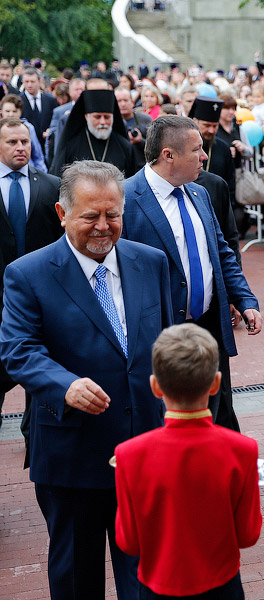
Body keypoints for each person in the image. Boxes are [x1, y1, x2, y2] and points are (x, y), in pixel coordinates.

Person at [0, 160, 173, 600]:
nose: (103, 226)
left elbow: (167, 347)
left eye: (112, 215)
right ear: (61, 213)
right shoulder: (28, 273)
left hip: (142, 449)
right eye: (90, 216)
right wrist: (65, 385)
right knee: (77, 576)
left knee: (148, 578)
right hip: (71, 452)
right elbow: (19, 351)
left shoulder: (150, 263)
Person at [123, 115, 262, 432]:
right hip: (158, 337)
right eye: (197, 150)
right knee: (163, 425)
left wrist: (245, 299)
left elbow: (222, 252)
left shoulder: (199, 193)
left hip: (207, 329)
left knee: (209, 418)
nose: (204, 156)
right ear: (168, 155)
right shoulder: (127, 199)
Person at [114, 324, 262, 599]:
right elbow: (247, 534)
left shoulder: (129, 455)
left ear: (155, 387)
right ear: (216, 383)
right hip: (222, 586)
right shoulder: (242, 449)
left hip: (157, 587)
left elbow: (128, 542)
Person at [0, 117, 62, 441]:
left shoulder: (50, 185)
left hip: (42, 299)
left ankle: (34, 441)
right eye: (12, 142)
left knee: (38, 376)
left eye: (25, 142)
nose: (21, 148)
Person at [50, 88, 140, 177]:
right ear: (86, 117)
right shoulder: (71, 145)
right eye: (97, 117)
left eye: (107, 117)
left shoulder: (124, 146)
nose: (102, 122)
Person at [189, 96, 236, 207]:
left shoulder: (223, 148)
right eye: (207, 125)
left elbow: (230, 182)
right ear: (195, 121)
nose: (211, 130)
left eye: (215, 126)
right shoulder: (184, 146)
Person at [1, 94, 47, 172]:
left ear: (20, 112)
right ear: (1, 112)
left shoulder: (28, 128)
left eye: (14, 111)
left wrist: (42, 174)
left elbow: (37, 155)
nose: (11, 114)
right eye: (7, 111)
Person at [116, 86, 151, 163]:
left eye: (125, 100)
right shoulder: (110, 121)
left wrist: (141, 141)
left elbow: (155, 146)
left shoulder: (145, 119)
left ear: (132, 102)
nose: (123, 104)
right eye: (119, 101)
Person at [18, 67, 54, 140]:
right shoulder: (18, 101)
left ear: (39, 81)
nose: (29, 85)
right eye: (26, 81)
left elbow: (54, 121)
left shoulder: (50, 100)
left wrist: (50, 131)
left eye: (32, 81)